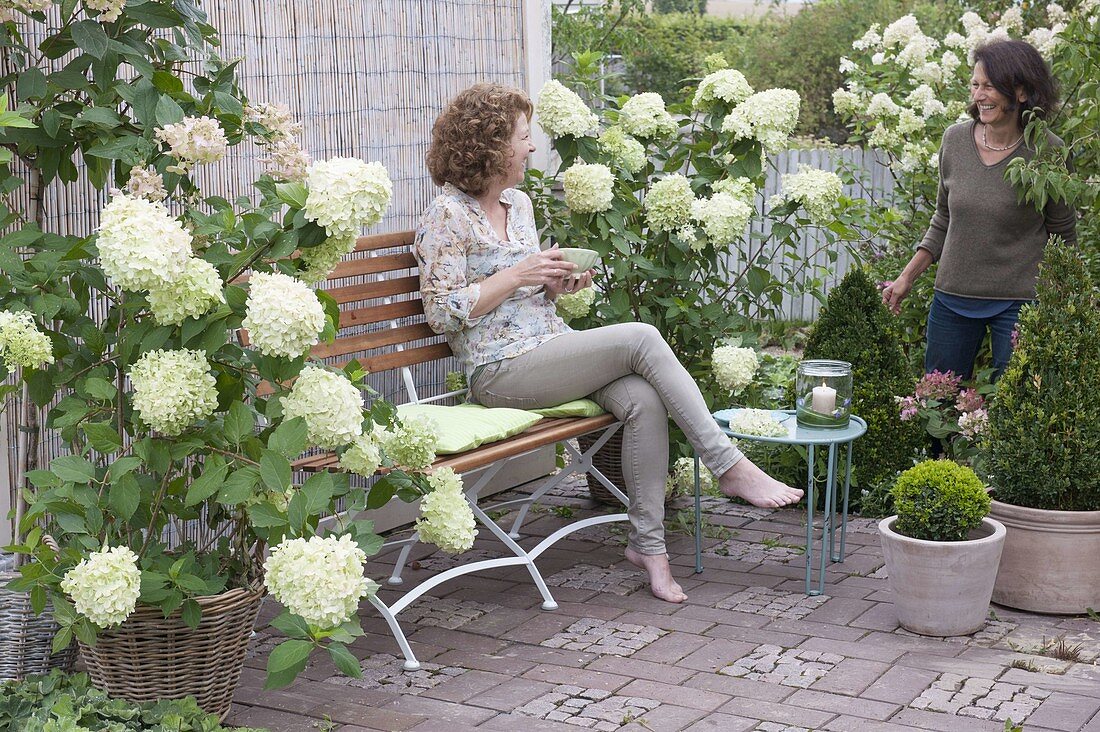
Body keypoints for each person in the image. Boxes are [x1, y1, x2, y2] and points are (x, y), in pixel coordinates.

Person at [414, 83, 802, 604]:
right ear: (490, 147)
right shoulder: (448, 216)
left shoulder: (519, 204)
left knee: (642, 400)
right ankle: (727, 465)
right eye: (524, 138)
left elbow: (529, 296)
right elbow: (441, 314)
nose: (532, 148)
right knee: (640, 337)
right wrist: (517, 275)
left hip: (547, 348)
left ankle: (650, 549)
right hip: (499, 370)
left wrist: (554, 284)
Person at [881, 40, 1077, 381]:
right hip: (952, 298)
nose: (979, 95)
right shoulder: (954, 141)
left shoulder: (1049, 152)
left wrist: (1067, 304)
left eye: (989, 86)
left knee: (1016, 405)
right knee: (937, 403)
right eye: (975, 85)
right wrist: (905, 278)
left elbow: (1062, 234)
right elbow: (942, 220)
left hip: (1019, 304)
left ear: (1020, 92)